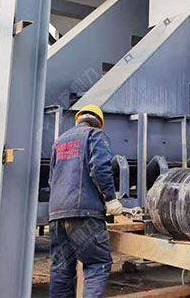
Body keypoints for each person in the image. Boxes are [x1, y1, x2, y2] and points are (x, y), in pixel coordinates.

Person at [49, 104, 123, 298]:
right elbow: (100, 168)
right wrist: (110, 199)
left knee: (61, 268)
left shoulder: (59, 142)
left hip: (57, 215)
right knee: (97, 263)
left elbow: (52, 179)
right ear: (99, 123)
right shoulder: (95, 135)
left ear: (79, 120)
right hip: (85, 213)